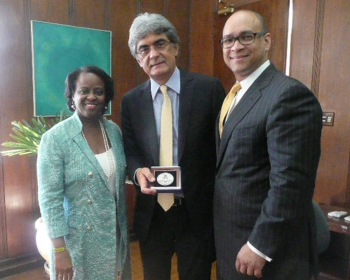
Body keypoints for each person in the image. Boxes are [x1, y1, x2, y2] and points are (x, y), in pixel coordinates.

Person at [214, 10, 323, 279]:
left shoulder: (287, 95)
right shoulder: (235, 95)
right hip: (234, 239)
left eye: (246, 37)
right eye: (228, 40)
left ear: (267, 40)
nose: (236, 46)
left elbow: (292, 182)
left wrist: (260, 246)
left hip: (268, 252)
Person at [121, 13, 226, 280]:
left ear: (176, 47)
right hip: (153, 213)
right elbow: (131, 151)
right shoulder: (131, 101)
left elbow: (224, 149)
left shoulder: (209, 89)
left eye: (161, 43)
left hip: (196, 212)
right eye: (144, 49)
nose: (153, 54)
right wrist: (137, 173)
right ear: (137, 58)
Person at [37, 66, 131, 280]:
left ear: (106, 96)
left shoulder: (113, 131)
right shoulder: (55, 138)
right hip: (77, 242)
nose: (92, 97)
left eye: (98, 91)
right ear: (72, 95)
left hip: (114, 234)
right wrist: (60, 251)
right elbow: (49, 200)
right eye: (84, 91)